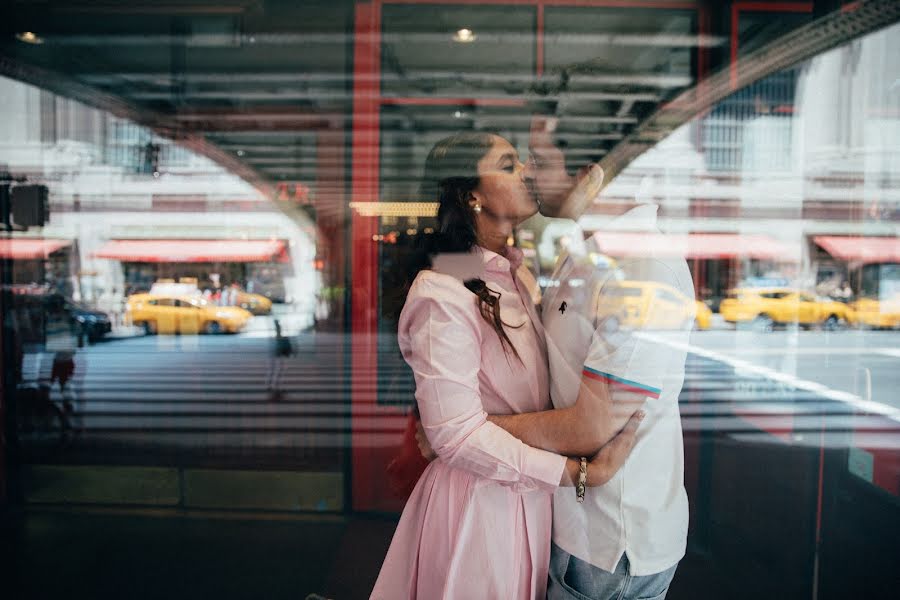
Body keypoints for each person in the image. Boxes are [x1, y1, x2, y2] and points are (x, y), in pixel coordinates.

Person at [371, 132, 644, 600]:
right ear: (471, 194)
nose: (527, 173)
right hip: (478, 508)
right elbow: (456, 434)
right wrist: (581, 474)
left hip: (526, 500)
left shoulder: (508, 274)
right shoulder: (441, 289)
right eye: (508, 163)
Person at [472, 115, 693, 599]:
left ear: (590, 174)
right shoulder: (592, 253)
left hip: (611, 541)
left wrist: (469, 429)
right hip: (579, 519)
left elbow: (593, 426)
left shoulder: (644, 269)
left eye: (541, 160)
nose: (529, 171)